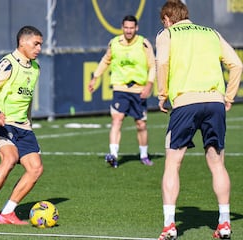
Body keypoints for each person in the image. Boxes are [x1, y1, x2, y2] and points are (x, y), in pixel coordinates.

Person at [156, 0, 243, 239]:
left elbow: (162, 62)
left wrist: (162, 95)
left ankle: (169, 225)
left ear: (166, 18)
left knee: (173, 163)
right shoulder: (211, 32)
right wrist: (229, 97)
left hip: (185, 103)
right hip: (214, 102)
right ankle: (224, 222)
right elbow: (237, 64)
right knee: (217, 164)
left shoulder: (167, 34)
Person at [0, 25, 44, 226]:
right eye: (36, 43)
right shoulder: (8, 64)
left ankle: (7, 213)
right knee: (11, 158)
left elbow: (28, 100)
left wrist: (29, 123)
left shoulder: (36, 68)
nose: (39, 48)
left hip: (23, 126)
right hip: (2, 123)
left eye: (41, 44)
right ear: (23, 42)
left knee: (35, 169)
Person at [88, 15, 156, 168]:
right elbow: (106, 60)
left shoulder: (143, 43)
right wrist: (95, 77)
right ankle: (113, 155)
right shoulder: (115, 43)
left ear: (136, 28)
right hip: (120, 88)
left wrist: (149, 84)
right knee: (117, 120)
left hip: (139, 89)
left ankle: (144, 155)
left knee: (141, 124)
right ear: (122, 27)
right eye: (126, 27)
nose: (129, 31)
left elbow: (152, 65)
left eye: (132, 28)